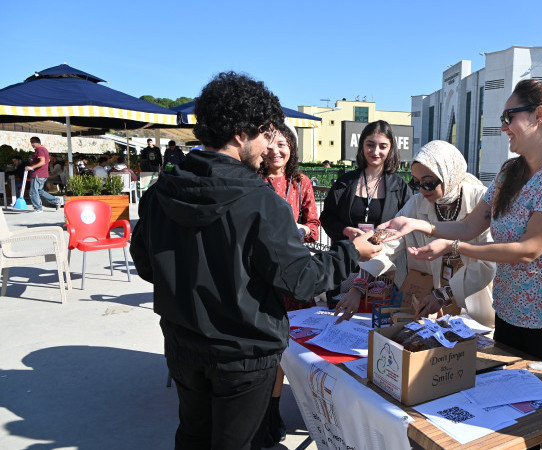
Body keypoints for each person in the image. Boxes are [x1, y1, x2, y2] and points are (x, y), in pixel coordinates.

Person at [130, 71, 381, 450]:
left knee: (194, 437)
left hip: (182, 345)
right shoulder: (261, 200)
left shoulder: (162, 189)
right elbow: (301, 280)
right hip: (244, 356)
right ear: (240, 134)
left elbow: (146, 265)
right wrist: (352, 252)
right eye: (265, 134)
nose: (269, 147)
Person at [382, 79, 542, 450]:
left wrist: (452, 243)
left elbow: (528, 248)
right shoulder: (509, 172)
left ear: (539, 116)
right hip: (512, 313)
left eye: (508, 116)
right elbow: (470, 226)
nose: (502, 127)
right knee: (514, 412)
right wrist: (420, 223)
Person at [335, 140, 496, 326]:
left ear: (449, 174)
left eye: (428, 183)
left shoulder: (480, 201)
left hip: (474, 306)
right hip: (431, 304)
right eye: (416, 183)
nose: (421, 190)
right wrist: (358, 287)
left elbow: (488, 261)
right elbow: (387, 244)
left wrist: (444, 294)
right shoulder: (417, 204)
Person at [256, 119, 321, 447]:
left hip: (294, 270)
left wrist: (303, 230)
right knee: (269, 345)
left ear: (292, 148)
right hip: (261, 273)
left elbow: (313, 222)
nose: (276, 149)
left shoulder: (301, 182)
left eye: (283, 144)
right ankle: (269, 410)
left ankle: (291, 406)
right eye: (270, 142)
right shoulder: (253, 180)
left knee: (295, 342)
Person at [320, 120, 412, 242]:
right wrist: (346, 230)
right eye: (370, 145)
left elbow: (410, 222)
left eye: (383, 146)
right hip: (348, 256)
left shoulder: (400, 187)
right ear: (362, 145)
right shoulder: (344, 183)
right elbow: (327, 217)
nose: (375, 151)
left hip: (385, 258)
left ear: (390, 149)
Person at [25, 137, 64, 212]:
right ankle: (56, 200)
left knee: (33, 191)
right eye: (31, 142)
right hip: (41, 174)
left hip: (38, 174)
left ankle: (38, 208)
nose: (32, 144)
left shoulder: (40, 150)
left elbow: (42, 162)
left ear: (38, 142)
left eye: (33, 142)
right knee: (39, 191)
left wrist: (31, 167)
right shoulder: (41, 150)